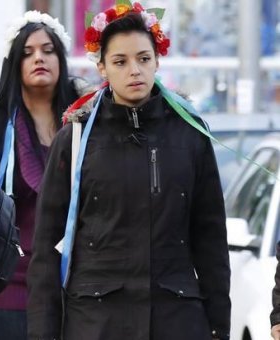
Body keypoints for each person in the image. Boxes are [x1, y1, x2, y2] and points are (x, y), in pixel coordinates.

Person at [27, 2, 231, 340]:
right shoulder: (76, 138)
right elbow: (47, 247)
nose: (134, 70)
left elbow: (210, 241)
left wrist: (218, 329)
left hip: (176, 317)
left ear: (157, 61)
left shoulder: (191, 134)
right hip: (95, 321)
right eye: (120, 62)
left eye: (144, 58)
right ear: (103, 68)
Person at [0, 11, 89, 340]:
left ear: (61, 59)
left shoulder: (90, 125)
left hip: (79, 283)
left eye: (48, 50)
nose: (39, 59)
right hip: (9, 287)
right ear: (14, 63)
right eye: (28, 53)